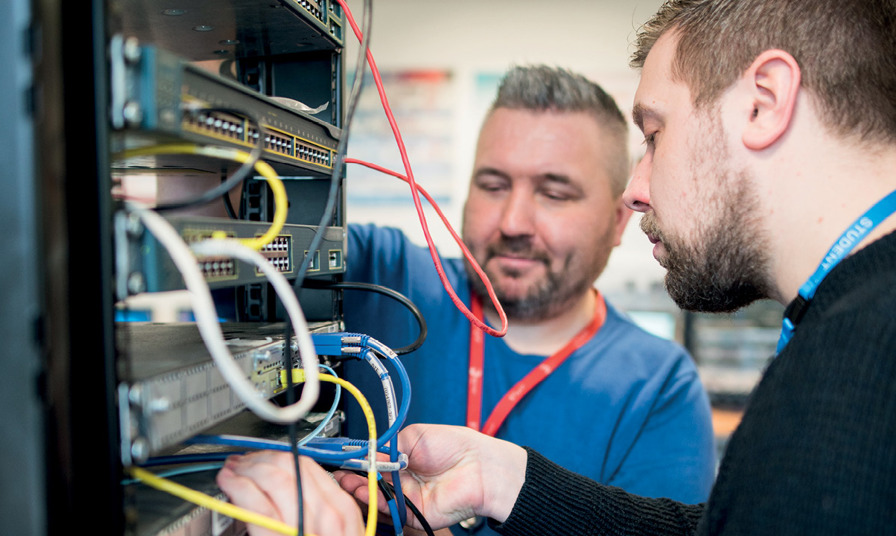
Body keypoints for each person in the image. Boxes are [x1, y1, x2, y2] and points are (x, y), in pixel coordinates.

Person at [219, 0, 896, 534]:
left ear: (765, 100)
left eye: (655, 136)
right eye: (492, 183)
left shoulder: (856, 364)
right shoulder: (380, 274)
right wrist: (504, 481)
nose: (640, 185)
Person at [339, 64, 716, 524]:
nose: (513, 222)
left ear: (618, 221)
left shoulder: (657, 387)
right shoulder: (385, 276)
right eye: (493, 186)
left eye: (554, 194)